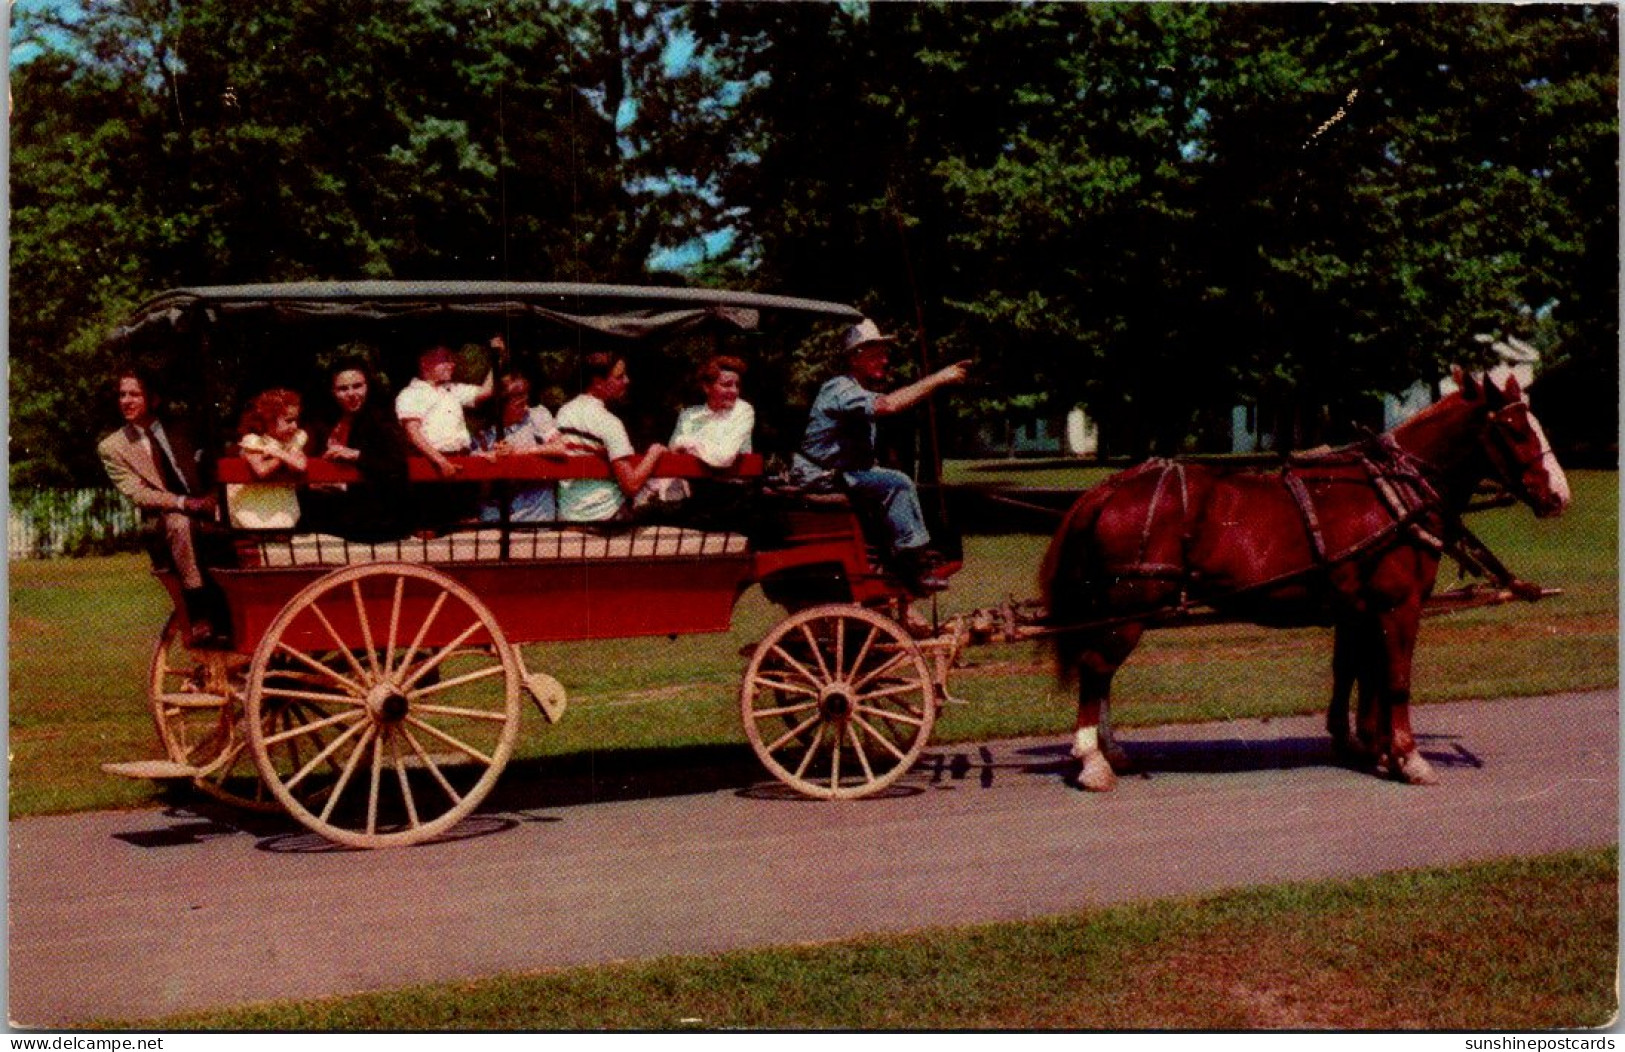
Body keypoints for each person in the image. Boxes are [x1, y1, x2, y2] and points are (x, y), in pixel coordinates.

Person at [790, 318, 970, 592]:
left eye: (885, 355)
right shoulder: (839, 389)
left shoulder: (857, 391)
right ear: (854, 358)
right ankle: (912, 566)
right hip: (820, 476)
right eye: (876, 355)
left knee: (920, 488)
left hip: (839, 473)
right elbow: (889, 405)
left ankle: (896, 559)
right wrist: (940, 378)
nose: (885, 361)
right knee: (896, 482)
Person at [98, 367, 224, 645]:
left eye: (135, 394)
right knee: (180, 523)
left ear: (153, 399)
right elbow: (138, 493)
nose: (126, 401)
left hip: (208, 507)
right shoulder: (113, 447)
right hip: (165, 519)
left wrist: (214, 498)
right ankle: (199, 610)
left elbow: (213, 466)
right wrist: (183, 503)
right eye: (122, 395)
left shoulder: (184, 428)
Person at [304, 359, 412, 541]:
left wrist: (355, 455)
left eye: (357, 386)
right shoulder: (323, 422)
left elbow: (396, 463)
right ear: (332, 392)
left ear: (368, 386)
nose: (352, 394)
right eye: (343, 389)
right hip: (330, 515)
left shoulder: (382, 419)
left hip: (373, 520)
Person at [554, 350, 668, 522]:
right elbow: (631, 485)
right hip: (608, 516)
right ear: (598, 383)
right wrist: (654, 453)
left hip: (570, 514)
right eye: (619, 377)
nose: (627, 381)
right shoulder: (608, 422)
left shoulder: (564, 413)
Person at [473, 366, 570, 523]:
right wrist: (489, 465)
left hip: (536, 519)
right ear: (500, 406)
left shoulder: (537, 415)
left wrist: (517, 452)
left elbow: (561, 447)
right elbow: (483, 491)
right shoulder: (484, 434)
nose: (525, 408)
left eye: (526, 401)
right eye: (518, 404)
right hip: (495, 519)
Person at [394, 342, 495, 475]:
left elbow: (486, 391)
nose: (452, 365)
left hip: (461, 460)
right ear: (425, 362)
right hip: (431, 467)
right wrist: (440, 461)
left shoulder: (452, 390)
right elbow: (413, 433)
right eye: (445, 360)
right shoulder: (411, 393)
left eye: (452, 361)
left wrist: (497, 357)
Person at [227, 388, 308, 530]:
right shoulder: (253, 441)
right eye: (289, 421)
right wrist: (284, 456)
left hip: (281, 505)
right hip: (254, 506)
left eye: (296, 420)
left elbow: (301, 464)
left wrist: (279, 453)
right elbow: (261, 470)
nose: (294, 426)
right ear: (269, 420)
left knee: (283, 532)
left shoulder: (292, 441)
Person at [670, 355, 755, 469]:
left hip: (732, 484)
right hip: (690, 482)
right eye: (727, 385)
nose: (734, 391)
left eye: (737, 385)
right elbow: (673, 453)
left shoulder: (742, 411)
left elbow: (723, 458)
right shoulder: (689, 415)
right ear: (707, 387)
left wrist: (687, 442)